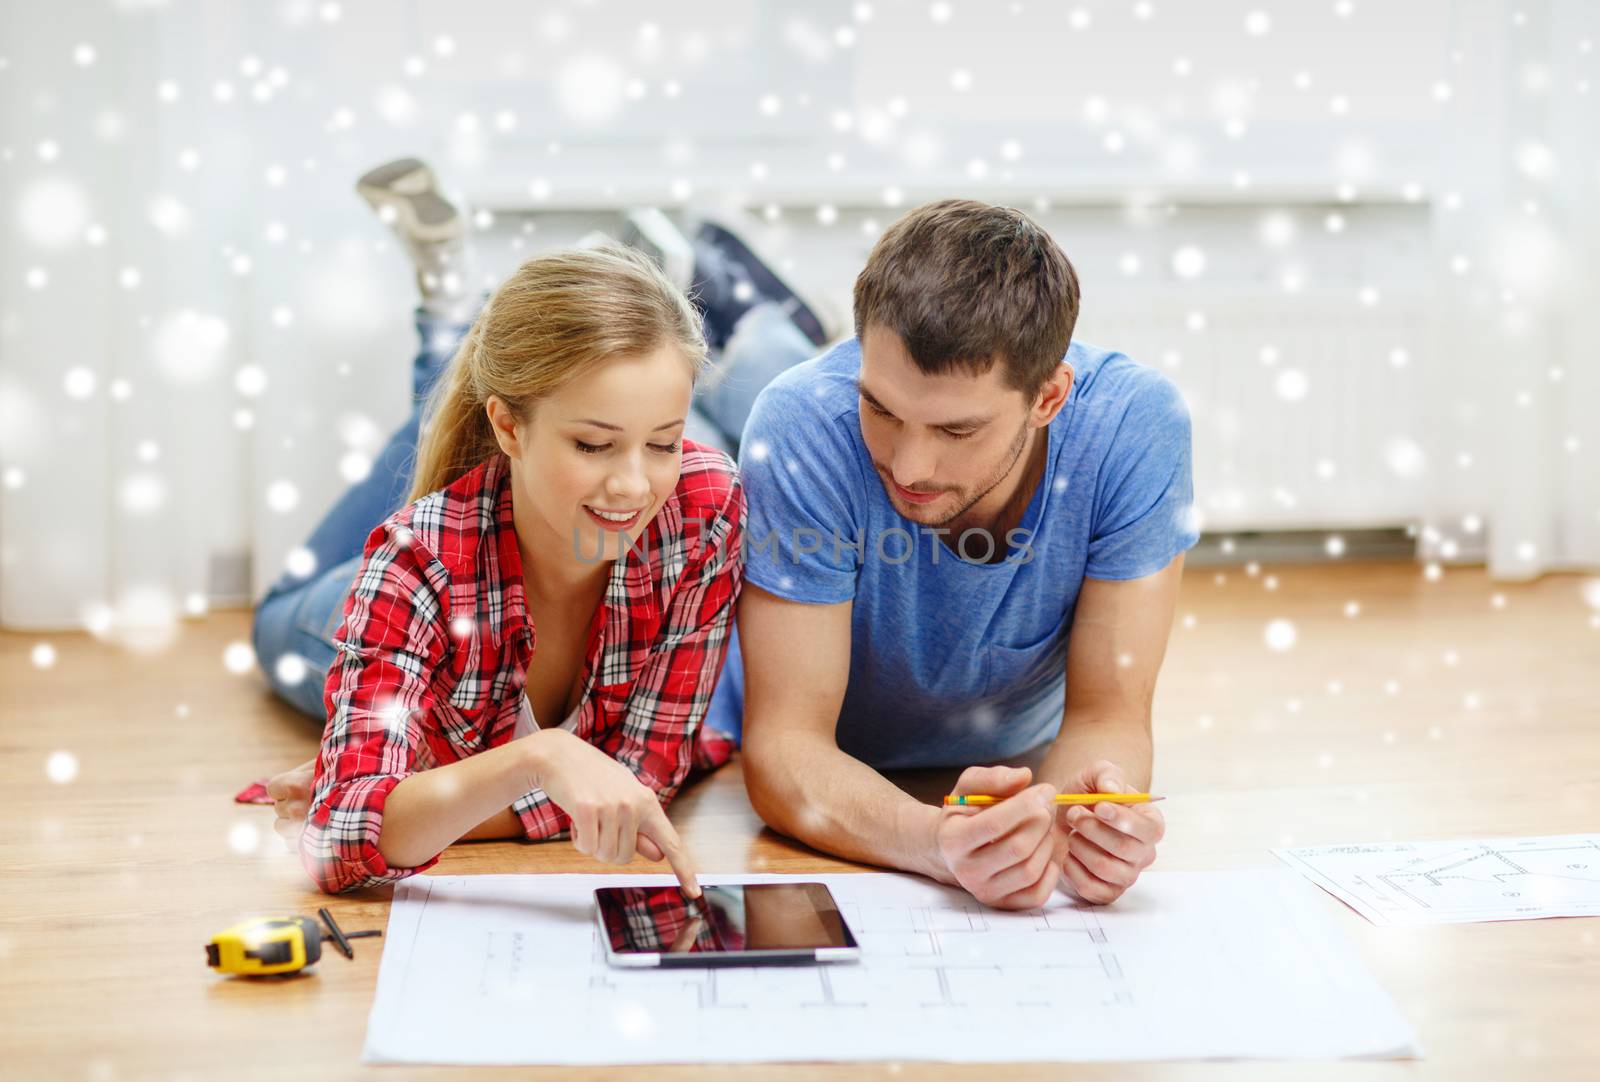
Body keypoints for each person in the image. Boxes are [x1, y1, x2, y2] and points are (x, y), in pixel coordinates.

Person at [250, 160, 758, 896]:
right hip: (369, 595)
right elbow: (338, 838)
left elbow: (646, 774)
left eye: (664, 441)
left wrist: (425, 796)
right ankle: (451, 311)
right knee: (272, 622)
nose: (634, 484)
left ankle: (468, 316)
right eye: (593, 445)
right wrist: (537, 759)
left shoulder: (704, 504)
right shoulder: (412, 560)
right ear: (508, 429)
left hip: (508, 514)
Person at [714, 199, 1198, 911]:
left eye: (957, 429)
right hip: (774, 701)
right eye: (880, 408)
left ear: (1050, 398)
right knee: (727, 392)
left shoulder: (1135, 426)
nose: (909, 466)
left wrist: (1084, 820)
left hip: (997, 746)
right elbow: (786, 750)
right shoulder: (803, 423)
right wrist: (934, 842)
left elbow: (1110, 716)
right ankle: (740, 303)